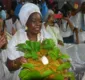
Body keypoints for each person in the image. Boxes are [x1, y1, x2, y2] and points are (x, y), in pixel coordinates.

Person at [4, 3, 52, 80]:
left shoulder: (46, 37)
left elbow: (55, 56)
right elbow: (9, 66)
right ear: (26, 22)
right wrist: (18, 61)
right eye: (34, 21)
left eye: (40, 21)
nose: (38, 24)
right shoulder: (18, 39)